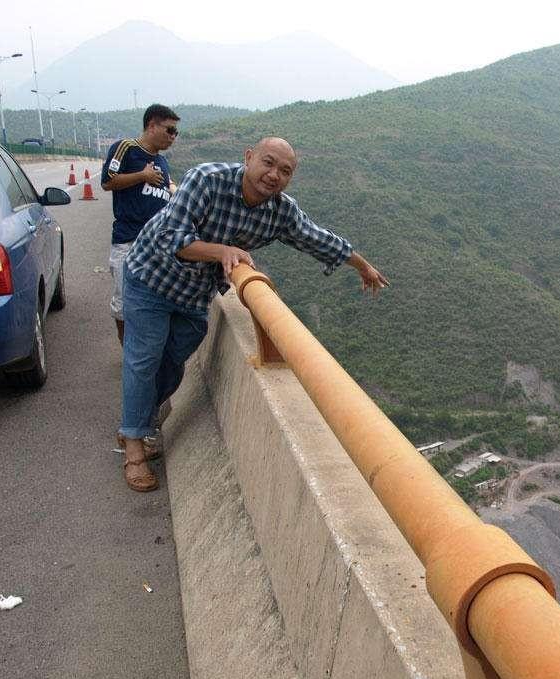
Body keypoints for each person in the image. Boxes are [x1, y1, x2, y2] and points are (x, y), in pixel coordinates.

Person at [118, 137, 389, 491]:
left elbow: (316, 238)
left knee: (171, 363)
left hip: (194, 295)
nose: (273, 175)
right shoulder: (207, 180)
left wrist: (361, 265)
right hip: (151, 277)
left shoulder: (280, 211)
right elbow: (174, 239)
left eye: (285, 171)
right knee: (145, 358)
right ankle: (135, 448)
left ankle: (139, 419)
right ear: (248, 157)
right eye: (268, 162)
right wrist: (224, 251)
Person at [101, 104, 180, 345]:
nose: (173, 137)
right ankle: (128, 352)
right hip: (129, 239)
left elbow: (164, 190)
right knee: (124, 303)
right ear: (151, 125)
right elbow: (107, 181)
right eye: (169, 130)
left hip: (157, 245)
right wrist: (141, 176)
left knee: (154, 302)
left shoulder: (162, 162)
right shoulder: (126, 149)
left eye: (176, 133)